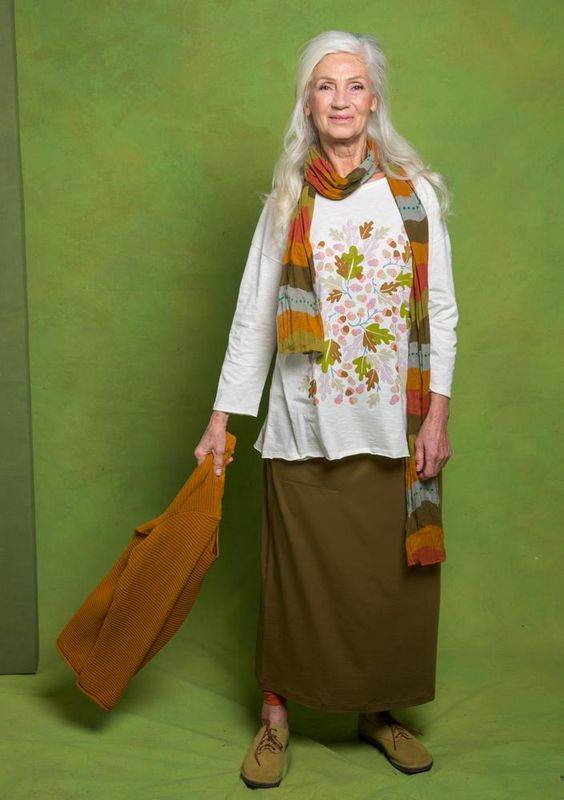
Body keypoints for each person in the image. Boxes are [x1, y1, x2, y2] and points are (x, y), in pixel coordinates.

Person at [194, 29, 459, 789]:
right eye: (325, 86)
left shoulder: (413, 194)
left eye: (354, 86)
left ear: (373, 101)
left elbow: (441, 309)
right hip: (303, 425)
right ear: (308, 104)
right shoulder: (288, 202)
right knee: (295, 582)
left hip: (393, 426)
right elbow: (254, 315)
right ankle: (276, 719)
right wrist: (222, 417)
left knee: (384, 585)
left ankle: (376, 713)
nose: (341, 100)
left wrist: (437, 415)